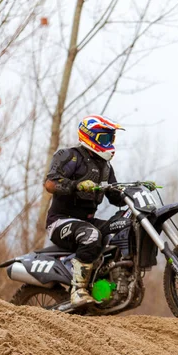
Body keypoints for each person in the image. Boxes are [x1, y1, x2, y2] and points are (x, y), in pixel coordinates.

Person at [44, 115, 125, 307]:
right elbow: (50, 183)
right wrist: (76, 185)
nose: (109, 143)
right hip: (60, 221)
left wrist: (134, 192)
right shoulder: (70, 156)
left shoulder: (105, 166)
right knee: (91, 235)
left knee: (120, 230)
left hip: (86, 222)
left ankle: (105, 283)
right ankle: (77, 290)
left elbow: (115, 197)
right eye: (105, 138)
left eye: (111, 139)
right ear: (90, 136)